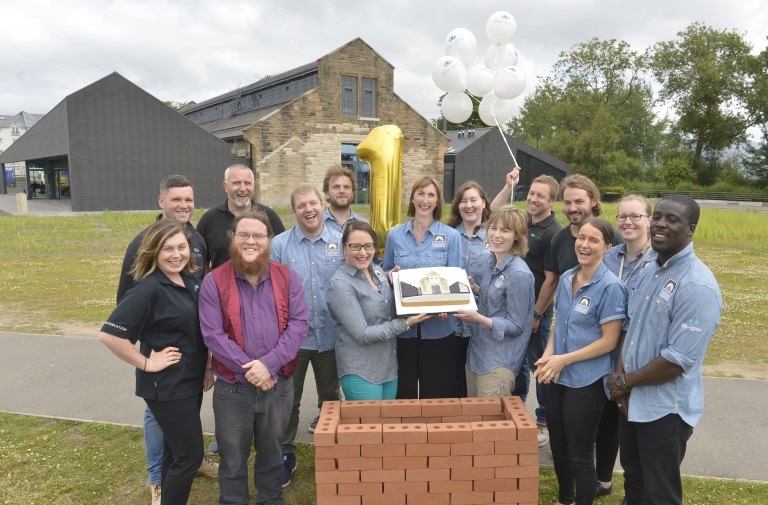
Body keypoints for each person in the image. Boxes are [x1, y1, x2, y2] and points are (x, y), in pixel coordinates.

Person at [608, 195, 722, 505]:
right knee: (634, 480)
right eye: (657, 217)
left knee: (660, 493)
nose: (660, 224)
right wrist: (619, 377)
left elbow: (677, 360)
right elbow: (629, 328)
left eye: (672, 220)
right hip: (631, 401)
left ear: (691, 229)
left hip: (665, 411)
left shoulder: (698, 285)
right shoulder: (648, 269)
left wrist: (623, 383)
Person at [114, 175, 215, 505]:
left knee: (178, 453)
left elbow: (198, 322)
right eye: (168, 249)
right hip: (166, 381)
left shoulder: (188, 276)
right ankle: (161, 487)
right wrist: (147, 360)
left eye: (181, 248)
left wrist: (206, 365)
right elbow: (112, 332)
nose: (176, 254)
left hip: (189, 376)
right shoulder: (148, 287)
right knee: (188, 456)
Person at [199, 211, 308, 505]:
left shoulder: (287, 276)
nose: (251, 241)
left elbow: (298, 324)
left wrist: (269, 364)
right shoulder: (214, 281)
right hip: (233, 389)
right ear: (233, 238)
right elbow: (213, 335)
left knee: (272, 454)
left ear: (268, 240)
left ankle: (270, 500)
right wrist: (255, 370)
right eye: (244, 234)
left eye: (258, 235)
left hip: (278, 386)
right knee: (232, 458)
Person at [534, 217, 627, 505]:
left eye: (593, 240)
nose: (584, 245)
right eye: (581, 238)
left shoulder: (611, 287)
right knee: (560, 447)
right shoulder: (566, 278)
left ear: (608, 248)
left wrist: (564, 359)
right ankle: (566, 499)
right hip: (557, 376)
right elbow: (559, 322)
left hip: (586, 380)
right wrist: (549, 355)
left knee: (581, 452)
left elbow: (609, 341)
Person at [270, 184, 343, 487]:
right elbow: (270, 291)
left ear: (323, 204)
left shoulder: (341, 240)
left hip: (331, 335)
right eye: (301, 205)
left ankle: (332, 451)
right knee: (288, 401)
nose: (309, 210)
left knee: (330, 399)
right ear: (293, 210)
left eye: (313, 203)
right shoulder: (279, 245)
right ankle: (285, 454)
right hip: (293, 340)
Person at [492, 170, 563, 446]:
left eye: (540, 196)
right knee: (519, 363)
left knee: (539, 366)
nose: (533, 199)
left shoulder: (552, 233)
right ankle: (517, 411)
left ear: (552, 201)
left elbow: (551, 279)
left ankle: (543, 421)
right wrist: (508, 184)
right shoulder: (522, 220)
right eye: (531, 193)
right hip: (515, 308)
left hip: (535, 311)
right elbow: (494, 212)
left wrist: (536, 312)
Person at [326, 221, 430, 400]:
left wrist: (429, 304)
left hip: (388, 366)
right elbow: (362, 334)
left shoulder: (378, 271)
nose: (363, 252)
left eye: (368, 246)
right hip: (361, 370)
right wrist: (406, 323)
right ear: (344, 248)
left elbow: (389, 309)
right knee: (369, 426)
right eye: (355, 246)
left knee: (385, 424)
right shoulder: (340, 285)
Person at [382, 176, 462, 399]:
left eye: (431, 195)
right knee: (403, 392)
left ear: (437, 202)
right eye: (420, 193)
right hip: (404, 328)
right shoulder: (395, 235)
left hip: (439, 329)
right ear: (412, 198)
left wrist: (449, 305)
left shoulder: (451, 237)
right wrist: (389, 276)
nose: (425, 200)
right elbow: (385, 272)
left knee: (437, 392)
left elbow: (456, 279)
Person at [456, 206, 535, 397]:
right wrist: (476, 289)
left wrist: (479, 319)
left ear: (517, 236)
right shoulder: (490, 262)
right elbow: (496, 302)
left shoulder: (518, 273)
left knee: (489, 424)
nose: (497, 235)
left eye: (505, 230)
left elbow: (517, 325)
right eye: (493, 228)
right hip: (477, 356)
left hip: (498, 363)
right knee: (474, 421)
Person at [446, 180, 492, 397]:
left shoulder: (495, 237)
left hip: (482, 321)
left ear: (483, 203)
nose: (469, 205)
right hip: (451, 321)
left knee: (478, 376)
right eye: (463, 201)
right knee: (453, 375)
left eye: (474, 199)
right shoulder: (446, 235)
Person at [196, 164, 285, 270]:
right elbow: (201, 264)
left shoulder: (269, 217)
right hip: (221, 285)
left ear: (254, 185)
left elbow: (283, 257)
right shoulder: (209, 220)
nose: (243, 188)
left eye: (247, 183)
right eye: (236, 183)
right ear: (226, 186)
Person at [322, 164, 369, 234]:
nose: (342, 191)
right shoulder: (316, 224)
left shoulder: (364, 225)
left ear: (352, 192)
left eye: (346, 187)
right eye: (336, 187)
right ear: (327, 194)